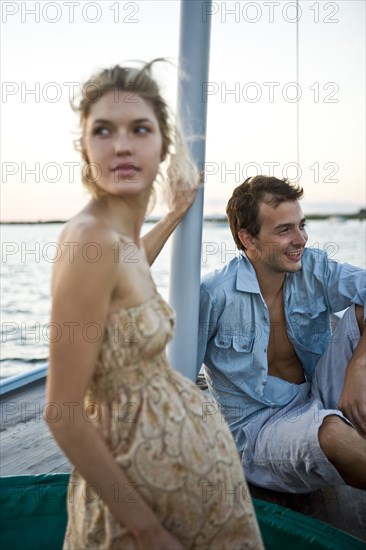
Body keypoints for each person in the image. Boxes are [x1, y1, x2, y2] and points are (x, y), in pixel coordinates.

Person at [45, 61, 263, 550]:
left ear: (163, 145)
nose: (121, 144)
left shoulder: (114, 238)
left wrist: (173, 214)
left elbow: (128, 273)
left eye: (139, 129)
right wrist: (148, 531)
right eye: (103, 130)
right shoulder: (88, 241)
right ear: (85, 147)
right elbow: (61, 412)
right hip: (140, 511)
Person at [197, 175, 366, 494]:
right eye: (285, 230)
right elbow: (173, 377)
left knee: (360, 314)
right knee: (330, 432)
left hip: (316, 392)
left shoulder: (314, 267)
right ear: (248, 239)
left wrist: (359, 366)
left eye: (301, 225)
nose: (301, 238)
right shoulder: (213, 295)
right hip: (260, 429)